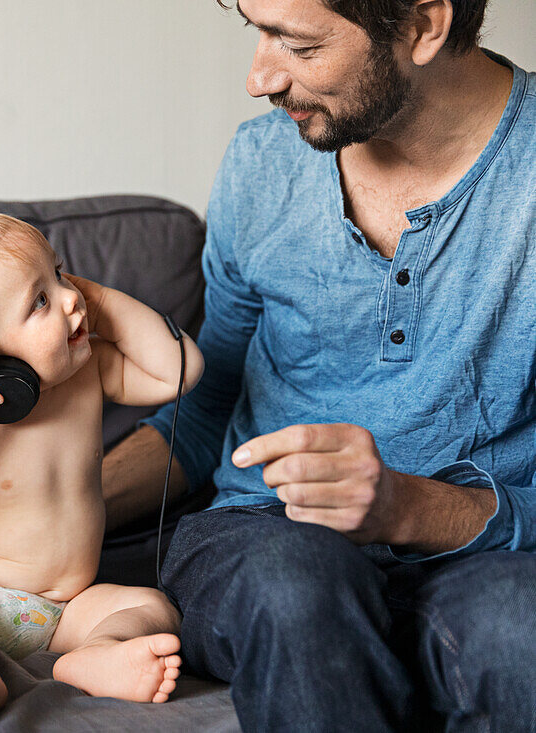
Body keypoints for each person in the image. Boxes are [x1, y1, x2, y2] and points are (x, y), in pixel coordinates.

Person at [102, 0, 536, 729]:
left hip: (489, 555)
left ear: (425, 25)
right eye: (256, 31)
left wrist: (414, 508)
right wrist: (50, 507)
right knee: (297, 588)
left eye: (297, 44)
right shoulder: (260, 165)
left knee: (517, 629)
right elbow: (208, 411)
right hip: (263, 535)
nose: (258, 77)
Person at [0, 211, 204, 729]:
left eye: (60, 272)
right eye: (39, 301)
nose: (72, 298)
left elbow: (180, 369)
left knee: (152, 605)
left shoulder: (87, 369)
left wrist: (99, 300)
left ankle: (94, 656)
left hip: (67, 608)